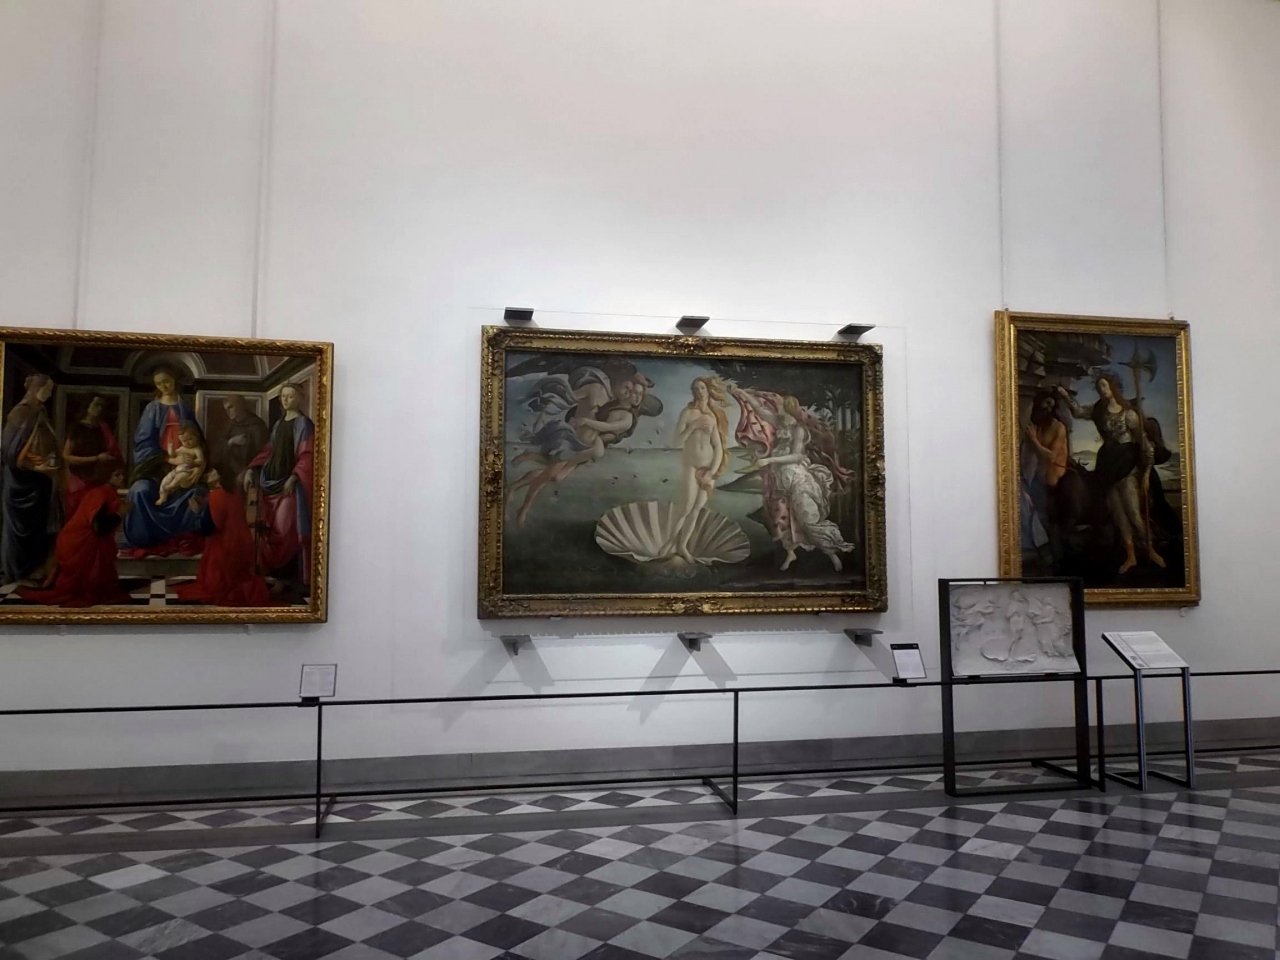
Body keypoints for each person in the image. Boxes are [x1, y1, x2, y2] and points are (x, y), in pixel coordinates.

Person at [507, 371, 661, 527]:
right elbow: (575, 401)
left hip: (584, 448)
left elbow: (606, 428)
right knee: (550, 474)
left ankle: (523, 472)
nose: (634, 395)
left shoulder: (628, 418)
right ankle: (523, 508)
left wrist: (587, 423)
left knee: (556, 476)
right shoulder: (611, 402)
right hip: (575, 442)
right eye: (631, 391)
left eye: (639, 394)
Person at [730, 386, 856, 572]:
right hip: (779, 478)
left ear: (790, 409)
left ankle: (832, 554)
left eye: (783, 406)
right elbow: (758, 408)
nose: (778, 409)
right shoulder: (779, 422)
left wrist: (769, 460)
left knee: (808, 519)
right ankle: (790, 553)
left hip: (797, 477)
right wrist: (741, 393)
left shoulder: (798, 430)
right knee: (780, 518)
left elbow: (797, 456)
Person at [1058, 376, 1165, 575]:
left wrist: (1146, 474)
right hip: (1107, 465)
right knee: (1119, 515)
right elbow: (1078, 411)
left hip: (1126, 465)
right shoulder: (1099, 411)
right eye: (1099, 387)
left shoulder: (1129, 414)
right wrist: (1064, 395)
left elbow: (1145, 446)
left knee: (1133, 513)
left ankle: (1150, 550)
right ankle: (1131, 556)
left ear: (1113, 387)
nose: (1101, 390)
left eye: (1104, 385)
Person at [19, 463, 130, 608]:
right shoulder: (102, 493)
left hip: (85, 541)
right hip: (78, 543)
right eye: (117, 475)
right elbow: (99, 528)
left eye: (123, 475)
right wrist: (119, 514)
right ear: (107, 476)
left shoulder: (107, 491)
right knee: (83, 587)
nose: (122, 478)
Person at [122, 367, 208, 552]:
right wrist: (168, 459)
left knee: (198, 493)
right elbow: (143, 444)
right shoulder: (151, 409)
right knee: (139, 491)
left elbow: (200, 443)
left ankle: (184, 539)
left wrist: (199, 468)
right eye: (159, 383)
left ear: (174, 380)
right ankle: (144, 539)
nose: (164, 386)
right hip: (156, 469)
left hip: (186, 469)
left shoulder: (184, 408)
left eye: (166, 381)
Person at [245, 383, 314, 593]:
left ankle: (288, 579)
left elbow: (308, 454)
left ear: (300, 399)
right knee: (272, 530)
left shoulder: (304, 423)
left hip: (289, 484)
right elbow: (270, 450)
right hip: (271, 483)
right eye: (283, 396)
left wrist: (294, 476)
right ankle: (277, 577)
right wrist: (252, 468)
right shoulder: (278, 424)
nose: (286, 400)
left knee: (286, 531)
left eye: (290, 396)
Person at [175, 468, 272, 607]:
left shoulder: (216, 495)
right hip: (240, 544)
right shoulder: (234, 494)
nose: (208, 474)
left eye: (212, 472)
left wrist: (198, 512)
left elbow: (210, 528)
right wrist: (205, 509)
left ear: (219, 476)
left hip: (224, 549)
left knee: (214, 587)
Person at [1, 374, 61, 584]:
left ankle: (35, 569)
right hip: (21, 482)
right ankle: (18, 572)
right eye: (47, 389)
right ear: (36, 388)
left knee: (37, 526)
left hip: (39, 480)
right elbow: (8, 451)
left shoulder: (40, 411)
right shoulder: (21, 412)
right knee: (20, 529)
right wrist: (35, 466)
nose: (50, 394)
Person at [663, 377, 731, 562]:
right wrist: (693, 426)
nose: (699, 391)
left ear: (708, 390)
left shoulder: (712, 416)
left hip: (707, 468)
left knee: (696, 510)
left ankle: (682, 547)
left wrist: (712, 472)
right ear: (692, 392)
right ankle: (669, 544)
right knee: (686, 508)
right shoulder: (687, 413)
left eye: (702, 388)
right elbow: (676, 442)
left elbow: (717, 447)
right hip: (690, 465)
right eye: (695, 389)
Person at [62, 395, 122, 518]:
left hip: (98, 481)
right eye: (96, 405)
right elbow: (66, 457)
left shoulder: (102, 428)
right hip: (79, 482)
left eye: (101, 406)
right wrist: (95, 458)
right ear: (87, 406)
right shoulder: (77, 428)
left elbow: (113, 451)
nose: (99, 409)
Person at [219, 395, 268, 485]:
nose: (228, 412)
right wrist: (231, 442)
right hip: (231, 475)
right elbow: (218, 450)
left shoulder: (256, 425)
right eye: (226, 409)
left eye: (230, 407)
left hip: (251, 474)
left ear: (240, 405)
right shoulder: (230, 426)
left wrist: (248, 470)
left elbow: (263, 453)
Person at [155, 424, 206, 505]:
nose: (187, 443)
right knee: (165, 480)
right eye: (184, 441)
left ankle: (171, 486)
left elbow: (201, 460)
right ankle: (162, 497)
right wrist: (170, 448)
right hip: (177, 470)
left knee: (180, 477)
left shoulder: (196, 449)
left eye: (190, 439)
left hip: (188, 471)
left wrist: (193, 462)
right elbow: (173, 455)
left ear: (196, 437)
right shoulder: (182, 448)